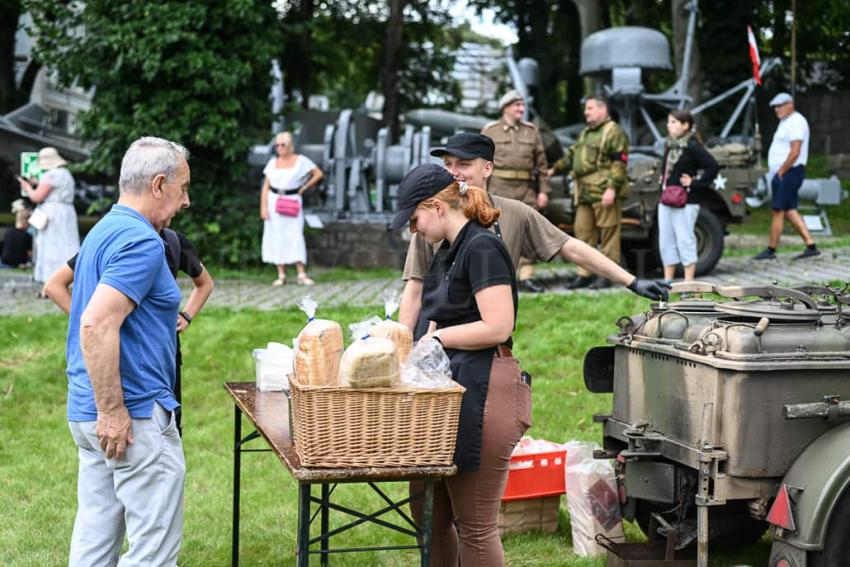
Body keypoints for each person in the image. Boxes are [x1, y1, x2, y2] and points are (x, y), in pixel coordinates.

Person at [399, 133, 669, 337]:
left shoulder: (514, 213)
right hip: (434, 337)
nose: (454, 172)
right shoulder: (433, 216)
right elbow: (414, 290)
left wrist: (631, 281)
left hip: (487, 340)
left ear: (487, 168)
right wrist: (402, 351)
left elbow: (570, 247)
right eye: (448, 164)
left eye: (464, 164)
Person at [65, 136, 190, 566]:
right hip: (131, 417)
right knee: (152, 552)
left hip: (86, 414)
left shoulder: (103, 229)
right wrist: (113, 411)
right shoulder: (141, 241)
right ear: (158, 185)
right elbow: (96, 323)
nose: (185, 201)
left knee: (95, 540)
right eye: (182, 189)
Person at [390, 163, 523, 566]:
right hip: (448, 394)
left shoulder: (483, 247)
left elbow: (499, 325)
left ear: (436, 206)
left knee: (475, 525)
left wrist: (437, 337)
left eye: (414, 220)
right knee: (429, 517)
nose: (413, 230)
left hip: (486, 392)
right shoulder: (447, 251)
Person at [42, 227, 213, 435]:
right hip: (116, 350)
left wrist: (186, 316)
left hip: (163, 354)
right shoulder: (118, 241)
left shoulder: (174, 242)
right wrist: (93, 322)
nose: (184, 203)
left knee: (168, 429)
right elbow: (54, 285)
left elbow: (205, 283)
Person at [549, 95, 630, 289]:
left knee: (608, 234)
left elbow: (620, 163)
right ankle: (584, 273)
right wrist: (554, 169)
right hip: (584, 191)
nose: (586, 112)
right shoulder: (586, 132)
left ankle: (609, 276)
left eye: (590, 108)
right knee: (583, 233)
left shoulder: (613, 131)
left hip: (603, 189)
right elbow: (572, 155)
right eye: (586, 109)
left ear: (603, 110)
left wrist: (611, 189)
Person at [482, 90, 551, 292]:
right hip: (499, 187)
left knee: (528, 232)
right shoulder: (490, 131)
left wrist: (544, 191)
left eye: (522, 105)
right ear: (506, 108)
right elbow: (480, 162)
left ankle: (527, 277)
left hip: (525, 189)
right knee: (499, 232)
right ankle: (502, 277)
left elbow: (542, 165)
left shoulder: (531, 131)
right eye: (517, 105)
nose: (521, 109)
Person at [754, 92, 819, 260]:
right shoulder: (785, 122)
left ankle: (771, 250)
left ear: (790, 104)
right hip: (784, 172)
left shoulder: (796, 122)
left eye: (780, 106)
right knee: (790, 210)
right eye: (775, 107)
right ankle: (811, 245)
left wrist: (782, 171)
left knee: (777, 210)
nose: (777, 109)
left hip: (789, 172)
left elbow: (795, 151)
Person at [658, 109, 719, 282]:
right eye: (669, 122)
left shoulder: (692, 146)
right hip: (666, 199)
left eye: (674, 122)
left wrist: (695, 183)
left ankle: (689, 283)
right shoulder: (670, 145)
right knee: (666, 240)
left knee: (685, 240)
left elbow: (712, 166)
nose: (669, 126)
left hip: (686, 201)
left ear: (685, 126)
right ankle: (667, 280)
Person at [260, 131, 324, 285]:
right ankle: (281, 274)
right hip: (275, 200)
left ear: (290, 146)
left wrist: (304, 187)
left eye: (283, 145)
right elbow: (266, 187)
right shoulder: (273, 163)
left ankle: (301, 273)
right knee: (276, 235)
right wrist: (263, 206)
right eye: (277, 145)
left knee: (295, 234)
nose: (280, 148)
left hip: (292, 200)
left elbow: (318, 173)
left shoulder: (300, 160)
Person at [17, 147, 80, 282]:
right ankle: (70, 277)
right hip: (67, 211)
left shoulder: (51, 175)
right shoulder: (66, 174)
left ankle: (53, 278)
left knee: (52, 245)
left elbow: (37, 196)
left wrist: (27, 187)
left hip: (53, 213)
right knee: (67, 243)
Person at [0, 199, 33, 268]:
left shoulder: (8, 231)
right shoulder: (28, 236)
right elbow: (30, 254)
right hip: (18, 263)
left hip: (4, 261)